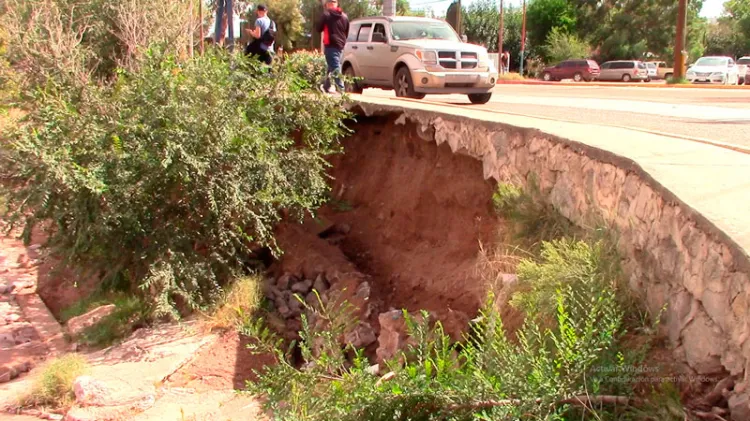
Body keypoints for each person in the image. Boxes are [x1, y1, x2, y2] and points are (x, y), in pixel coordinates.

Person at [316, 0, 349, 94]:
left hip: (330, 44)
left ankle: (341, 89)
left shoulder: (326, 15)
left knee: (335, 67)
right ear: (337, 4)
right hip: (341, 45)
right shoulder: (344, 16)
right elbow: (346, 31)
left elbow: (318, 28)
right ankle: (326, 85)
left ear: (327, 4)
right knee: (332, 65)